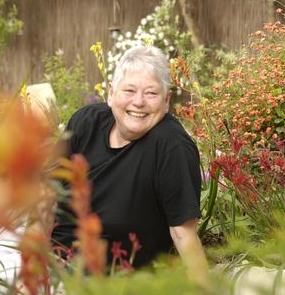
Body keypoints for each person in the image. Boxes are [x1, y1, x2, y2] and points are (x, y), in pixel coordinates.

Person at [51, 45, 209, 277]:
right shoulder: (85, 123)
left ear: (167, 101)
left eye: (151, 93)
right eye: (129, 90)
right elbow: (46, 196)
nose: (139, 102)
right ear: (111, 93)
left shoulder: (171, 146)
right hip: (48, 260)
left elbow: (183, 234)